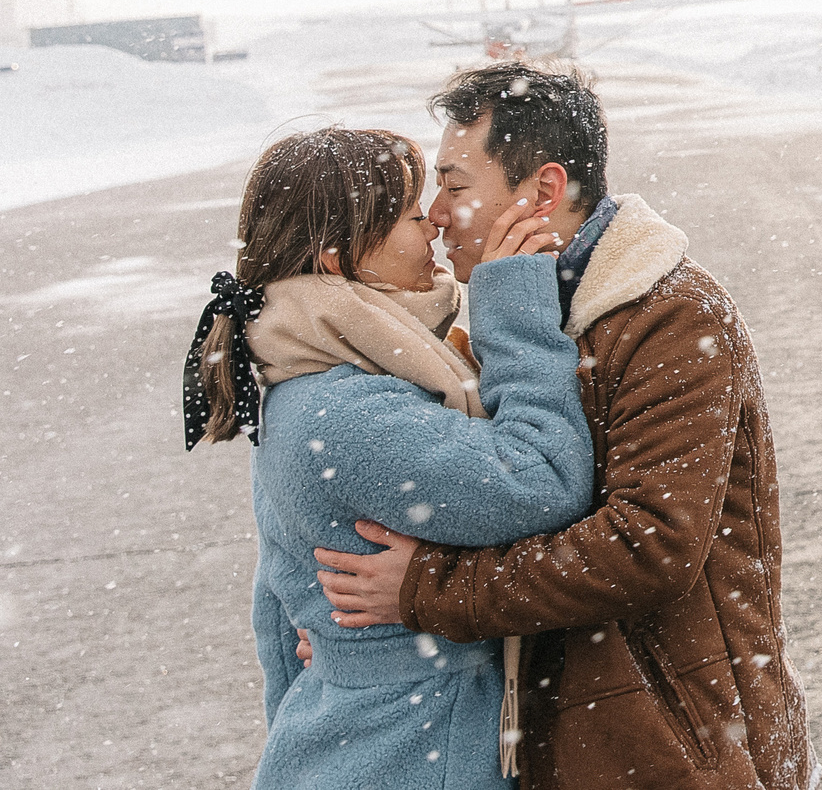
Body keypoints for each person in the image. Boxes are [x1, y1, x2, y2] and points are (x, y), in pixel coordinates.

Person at [314, 62, 816, 790]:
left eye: (454, 185)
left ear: (544, 190)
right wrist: (360, 635)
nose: (436, 213)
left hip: (681, 748)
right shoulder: (502, 310)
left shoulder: (670, 315)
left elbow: (648, 544)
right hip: (576, 741)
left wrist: (428, 589)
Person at [183, 126, 592, 790]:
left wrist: (315, 698)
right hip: (408, 750)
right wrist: (514, 305)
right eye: (408, 215)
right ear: (339, 257)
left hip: (354, 743)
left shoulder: (304, 374)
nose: (432, 221)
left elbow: (278, 611)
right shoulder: (342, 412)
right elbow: (544, 476)